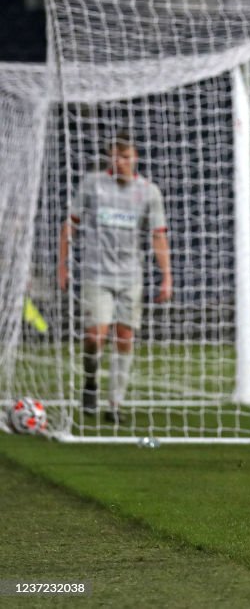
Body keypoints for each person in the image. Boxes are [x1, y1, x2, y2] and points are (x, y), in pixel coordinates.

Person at [58, 132, 172, 423]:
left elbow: (158, 237)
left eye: (125, 156)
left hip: (130, 277)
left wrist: (166, 277)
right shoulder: (93, 185)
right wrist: (62, 265)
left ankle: (115, 405)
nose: (119, 161)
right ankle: (90, 382)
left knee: (124, 338)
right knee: (96, 336)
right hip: (96, 273)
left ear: (135, 158)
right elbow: (69, 225)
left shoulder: (149, 192)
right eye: (115, 155)